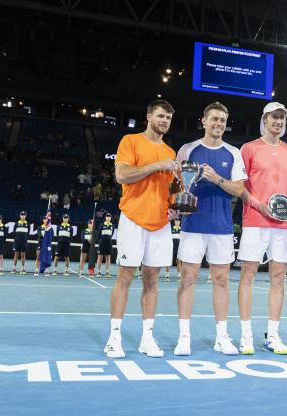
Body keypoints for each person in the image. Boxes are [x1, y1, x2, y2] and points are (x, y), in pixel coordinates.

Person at [104, 99, 181, 359]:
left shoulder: (171, 152)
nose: (164, 121)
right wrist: (156, 166)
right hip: (133, 218)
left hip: (160, 223)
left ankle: (147, 338)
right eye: (160, 116)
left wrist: (175, 207)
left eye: (168, 118)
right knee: (125, 277)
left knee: (152, 280)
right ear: (148, 116)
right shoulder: (131, 141)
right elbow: (122, 176)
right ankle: (114, 337)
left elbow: (173, 190)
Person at [173, 102, 246, 356]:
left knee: (222, 280)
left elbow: (239, 190)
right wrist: (176, 204)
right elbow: (177, 185)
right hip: (192, 224)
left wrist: (216, 179)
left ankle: (222, 337)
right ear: (203, 121)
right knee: (188, 278)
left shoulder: (233, 153)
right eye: (214, 119)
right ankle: (184, 337)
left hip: (222, 226)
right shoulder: (188, 149)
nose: (218, 124)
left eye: (223, 120)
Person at [237, 102, 287, 355]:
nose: (278, 122)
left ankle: (272, 335)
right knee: (248, 277)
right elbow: (239, 185)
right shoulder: (249, 148)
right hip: (254, 221)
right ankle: (245, 335)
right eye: (274, 117)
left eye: (282, 118)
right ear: (264, 119)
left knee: (278, 278)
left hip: (283, 225)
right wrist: (257, 205)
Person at [95, 213, 115, 278]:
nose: (108, 218)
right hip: (102, 243)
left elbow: (111, 234)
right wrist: (102, 239)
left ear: (110, 218)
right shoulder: (102, 225)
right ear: (105, 218)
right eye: (107, 217)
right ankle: (98, 271)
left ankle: (107, 272)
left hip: (109, 243)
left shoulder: (112, 226)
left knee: (108, 258)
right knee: (100, 257)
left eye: (109, 217)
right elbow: (98, 235)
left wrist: (107, 239)